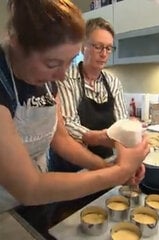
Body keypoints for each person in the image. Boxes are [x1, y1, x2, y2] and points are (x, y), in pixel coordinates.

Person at [0, 0, 149, 213]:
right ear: (16, 42)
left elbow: (61, 140)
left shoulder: (48, 81)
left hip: (39, 198)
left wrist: (107, 167)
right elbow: (29, 188)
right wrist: (120, 171)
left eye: (69, 62)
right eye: (52, 64)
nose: (61, 76)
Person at [48, 17, 129, 172]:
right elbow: (68, 124)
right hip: (71, 166)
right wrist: (98, 137)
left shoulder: (113, 82)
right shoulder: (65, 77)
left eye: (109, 48)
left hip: (105, 161)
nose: (104, 54)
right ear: (83, 47)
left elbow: (121, 123)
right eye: (98, 47)